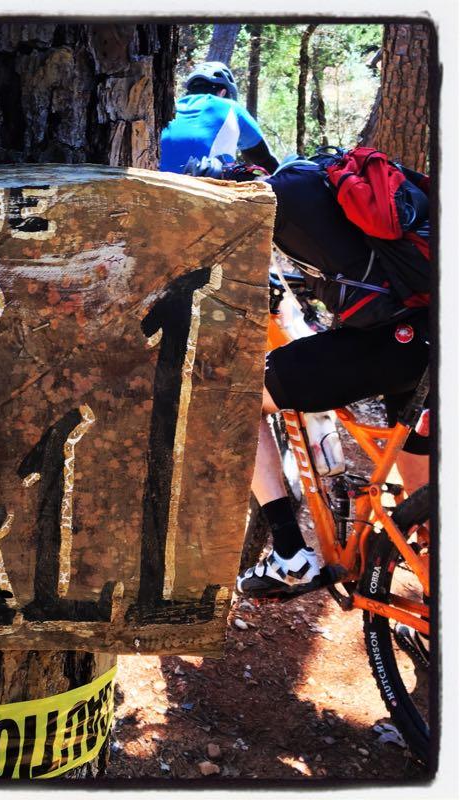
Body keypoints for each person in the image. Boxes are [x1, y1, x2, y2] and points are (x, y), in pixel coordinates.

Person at [233, 158, 430, 606]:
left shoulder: (274, 196)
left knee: (235, 397)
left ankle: (289, 555)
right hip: (431, 331)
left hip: (397, 342)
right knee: (421, 492)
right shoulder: (331, 180)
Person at [159, 61, 279, 176]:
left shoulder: (166, 109)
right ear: (223, 92)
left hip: (153, 187)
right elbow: (265, 159)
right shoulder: (231, 108)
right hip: (205, 191)